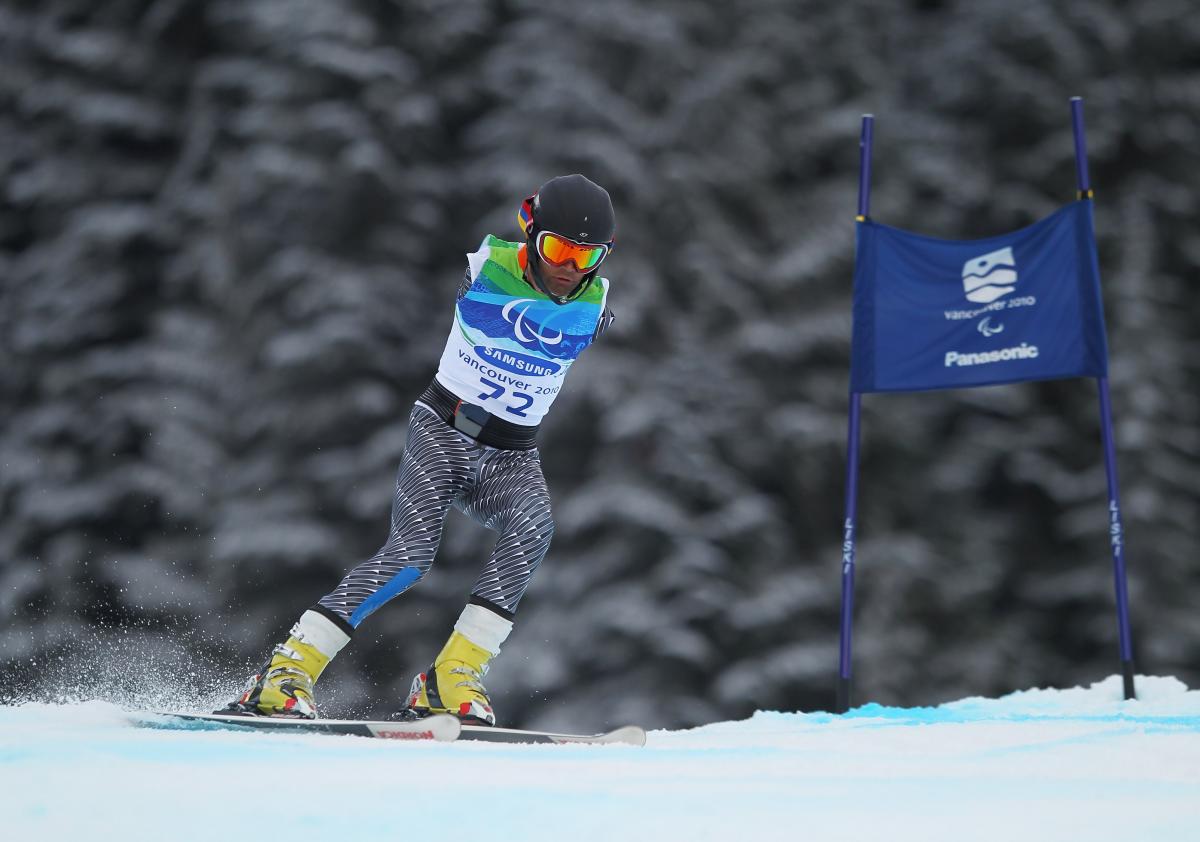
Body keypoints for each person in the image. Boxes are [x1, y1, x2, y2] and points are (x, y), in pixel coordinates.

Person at [222, 174, 617, 726]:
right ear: (530, 234)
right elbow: (491, 314)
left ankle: (451, 677)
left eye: (586, 256)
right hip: (443, 431)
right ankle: (287, 671)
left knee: (534, 529)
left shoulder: (592, 296)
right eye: (557, 249)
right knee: (409, 558)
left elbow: (570, 314)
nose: (569, 269)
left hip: (511, 453)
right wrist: (580, 324)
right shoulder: (490, 267)